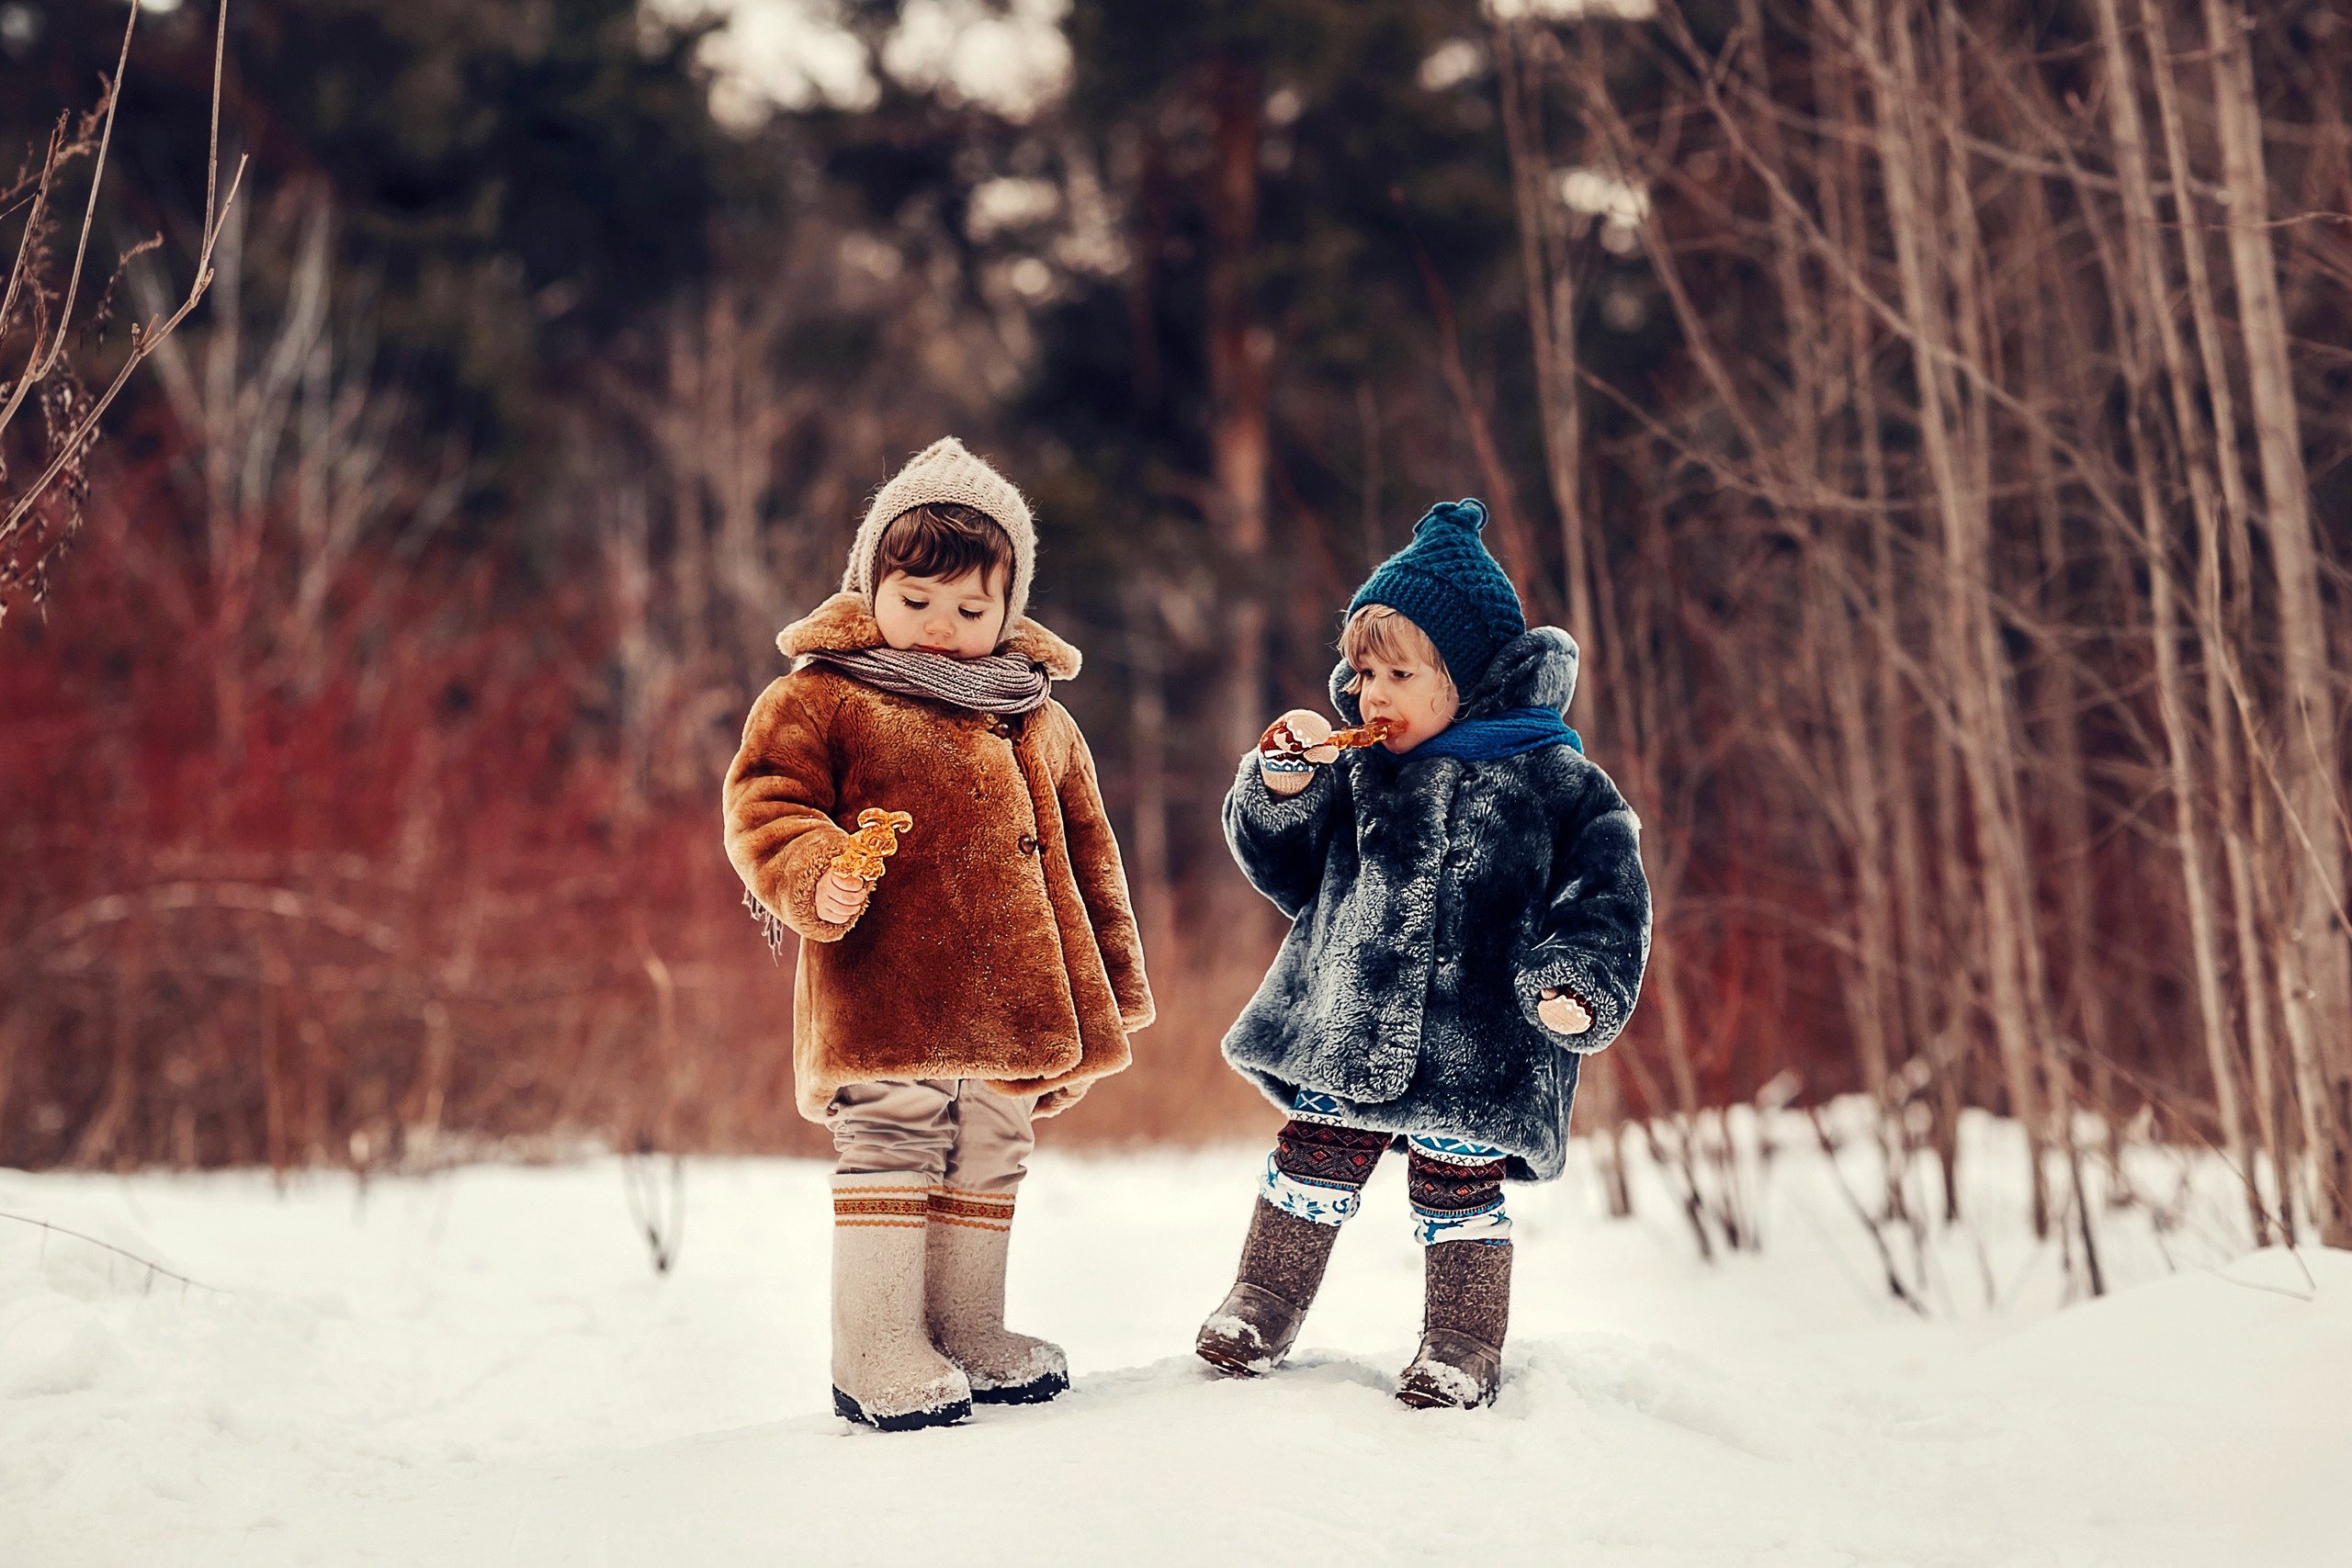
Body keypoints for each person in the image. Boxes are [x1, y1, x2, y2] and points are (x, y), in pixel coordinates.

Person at [725, 437, 1153, 1431]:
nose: (942, 629)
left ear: (1011, 608)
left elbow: (1090, 858)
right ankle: (874, 1345)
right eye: (916, 602)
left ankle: (966, 1330)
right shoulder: (822, 695)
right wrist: (815, 875)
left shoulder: (1039, 718)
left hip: (1017, 990)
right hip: (888, 981)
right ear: (870, 583)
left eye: (971, 609)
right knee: (892, 1135)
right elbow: (768, 805)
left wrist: (1110, 993)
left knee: (995, 1140)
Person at [1195, 497, 1650, 1408]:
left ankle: (1461, 1342)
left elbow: (1605, 896)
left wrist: (1574, 981)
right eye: (1361, 673)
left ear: (1470, 679)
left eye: (1397, 674)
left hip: (1480, 1039)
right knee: (1310, 1155)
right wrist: (1284, 788)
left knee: (1457, 1185)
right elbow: (1289, 871)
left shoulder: (1555, 783)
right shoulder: (1361, 772)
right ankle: (1263, 1300)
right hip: (1349, 1024)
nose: (1370, 698)